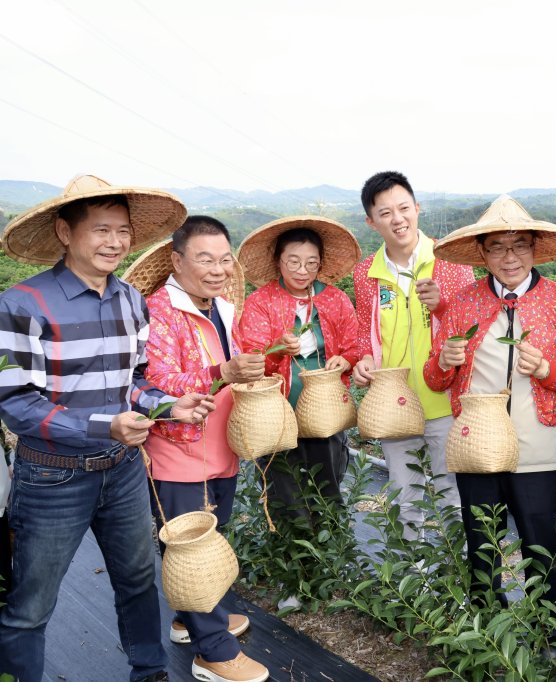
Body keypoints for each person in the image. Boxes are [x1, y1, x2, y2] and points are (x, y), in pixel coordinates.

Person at [0, 175, 214, 682]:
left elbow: (134, 382)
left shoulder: (130, 300)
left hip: (122, 472)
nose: (115, 242)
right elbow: (15, 402)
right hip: (52, 476)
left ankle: (150, 671)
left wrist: (168, 406)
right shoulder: (22, 304)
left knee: (137, 580)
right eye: (101, 229)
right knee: (31, 603)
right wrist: (104, 427)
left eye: (122, 231)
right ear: (64, 231)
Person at [423, 194, 556, 608]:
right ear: (482, 253)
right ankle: (487, 625)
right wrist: (443, 361)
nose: (509, 257)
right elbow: (435, 379)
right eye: (497, 247)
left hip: (539, 445)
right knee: (481, 542)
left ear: (535, 249)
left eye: (519, 246)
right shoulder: (464, 302)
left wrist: (546, 369)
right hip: (477, 444)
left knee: (541, 540)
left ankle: (548, 628)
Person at [126, 217, 269, 682]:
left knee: (212, 535)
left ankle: (191, 619)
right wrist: (222, 372)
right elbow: (156, 382)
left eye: (224, 259)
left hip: (219, 446)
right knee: (193, 548)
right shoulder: (159, 312)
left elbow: (230, 367)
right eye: (205, 259)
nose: (218, 269)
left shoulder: (222, 307)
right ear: (176, 261)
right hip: (178, 451)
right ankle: (214, 652)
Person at [351, 171, 474, 541]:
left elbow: (474, 329)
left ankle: (458, 573)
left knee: (454, 499)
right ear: (371, 222)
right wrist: (363, 361)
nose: (397, 219)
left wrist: (443, 306)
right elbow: (365, 332)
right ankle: (414, 573)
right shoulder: (366, 273)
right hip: (394, 405)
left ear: (417, 209)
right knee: (406, 501)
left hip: (445, 403)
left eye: (403, 208)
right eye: (385, 213)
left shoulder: (451, 263)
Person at [238, 216, 362, 579]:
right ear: (278, 260)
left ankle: (334, 559)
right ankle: (298, 570)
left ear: (320, 264)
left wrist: (346, 359)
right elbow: (251, 356)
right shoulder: (261, 301)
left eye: (311, 263)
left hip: (324, 408)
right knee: (284, 487)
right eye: (293, 261)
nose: (302, 270)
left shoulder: (334, 299)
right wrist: (277, 348)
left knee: (328, 481)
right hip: (277, 410)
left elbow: (355, 344)